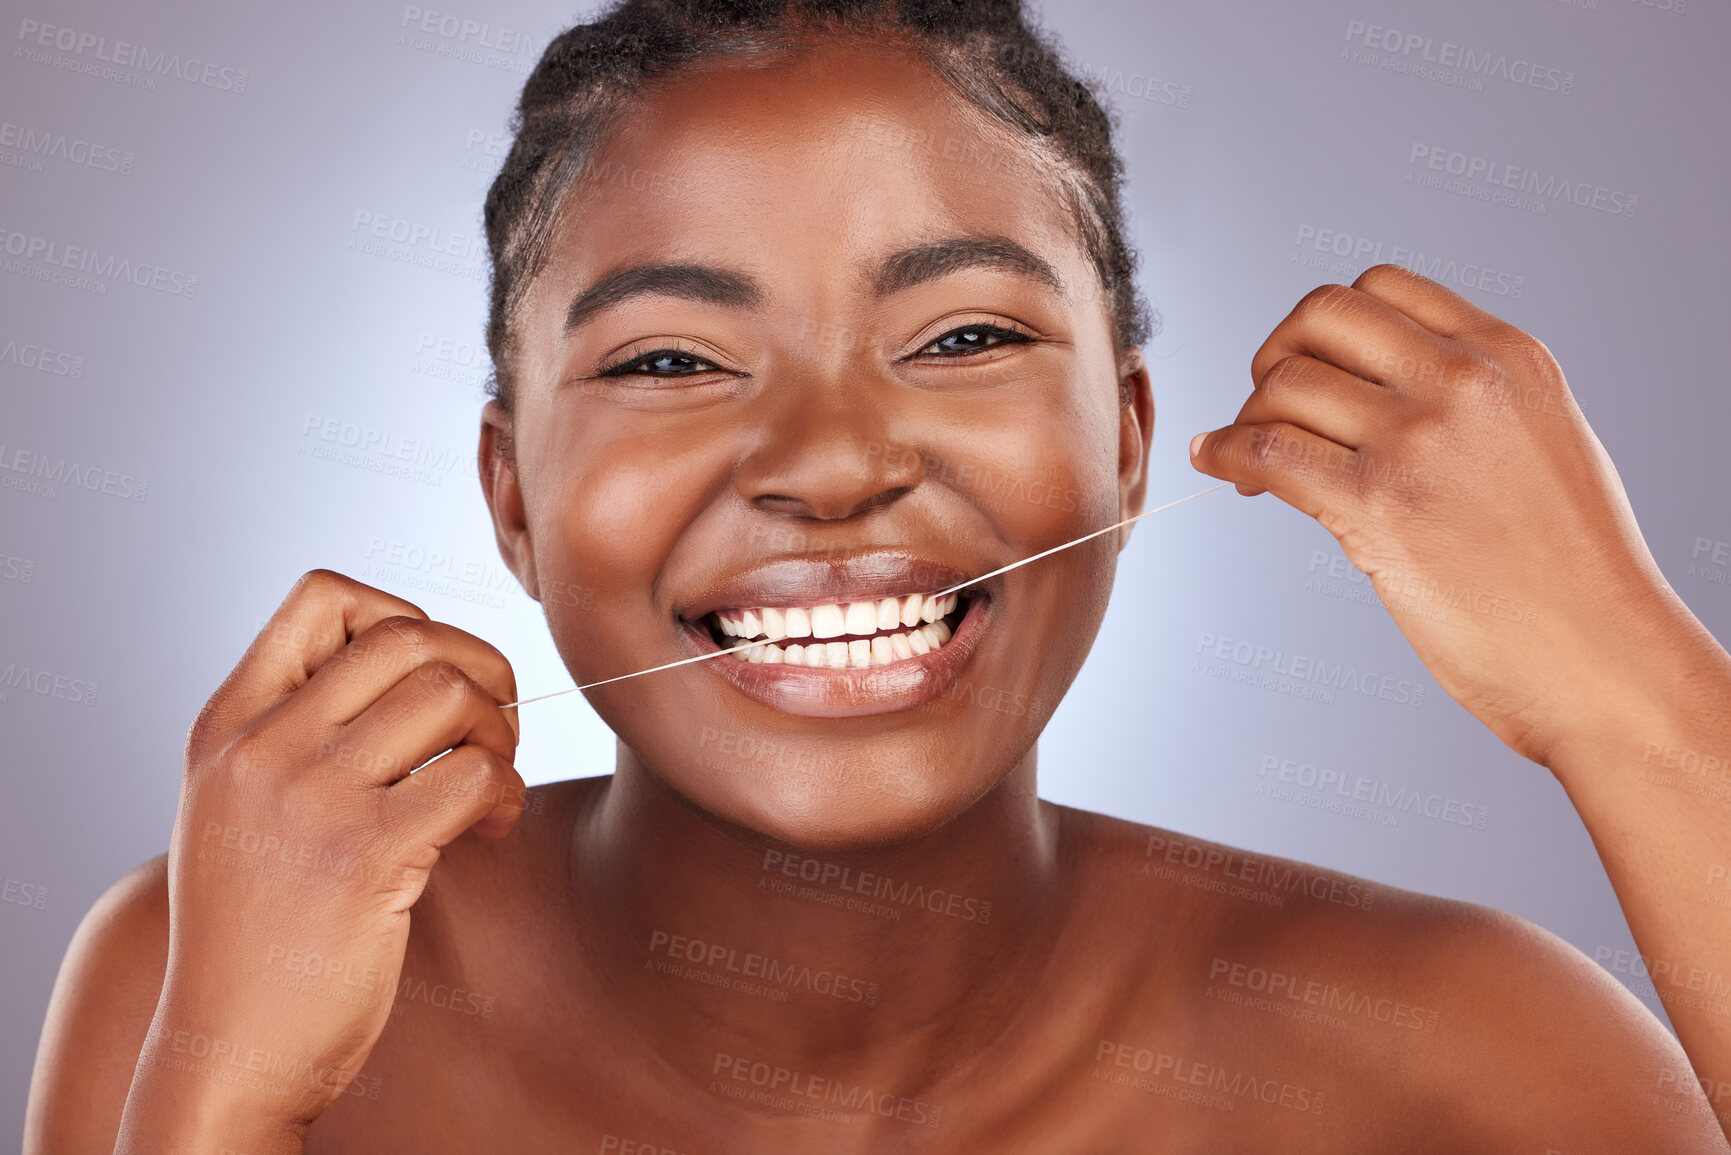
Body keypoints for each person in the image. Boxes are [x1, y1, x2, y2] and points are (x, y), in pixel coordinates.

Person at [25, 1, 1731, 1151]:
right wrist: (225, 1088)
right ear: (512, 499)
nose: (834, 465)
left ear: (1130, 442)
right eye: (672, 362)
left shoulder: (1469, 1065)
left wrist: (1644, 705)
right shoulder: (202, 969)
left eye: (966, 335)